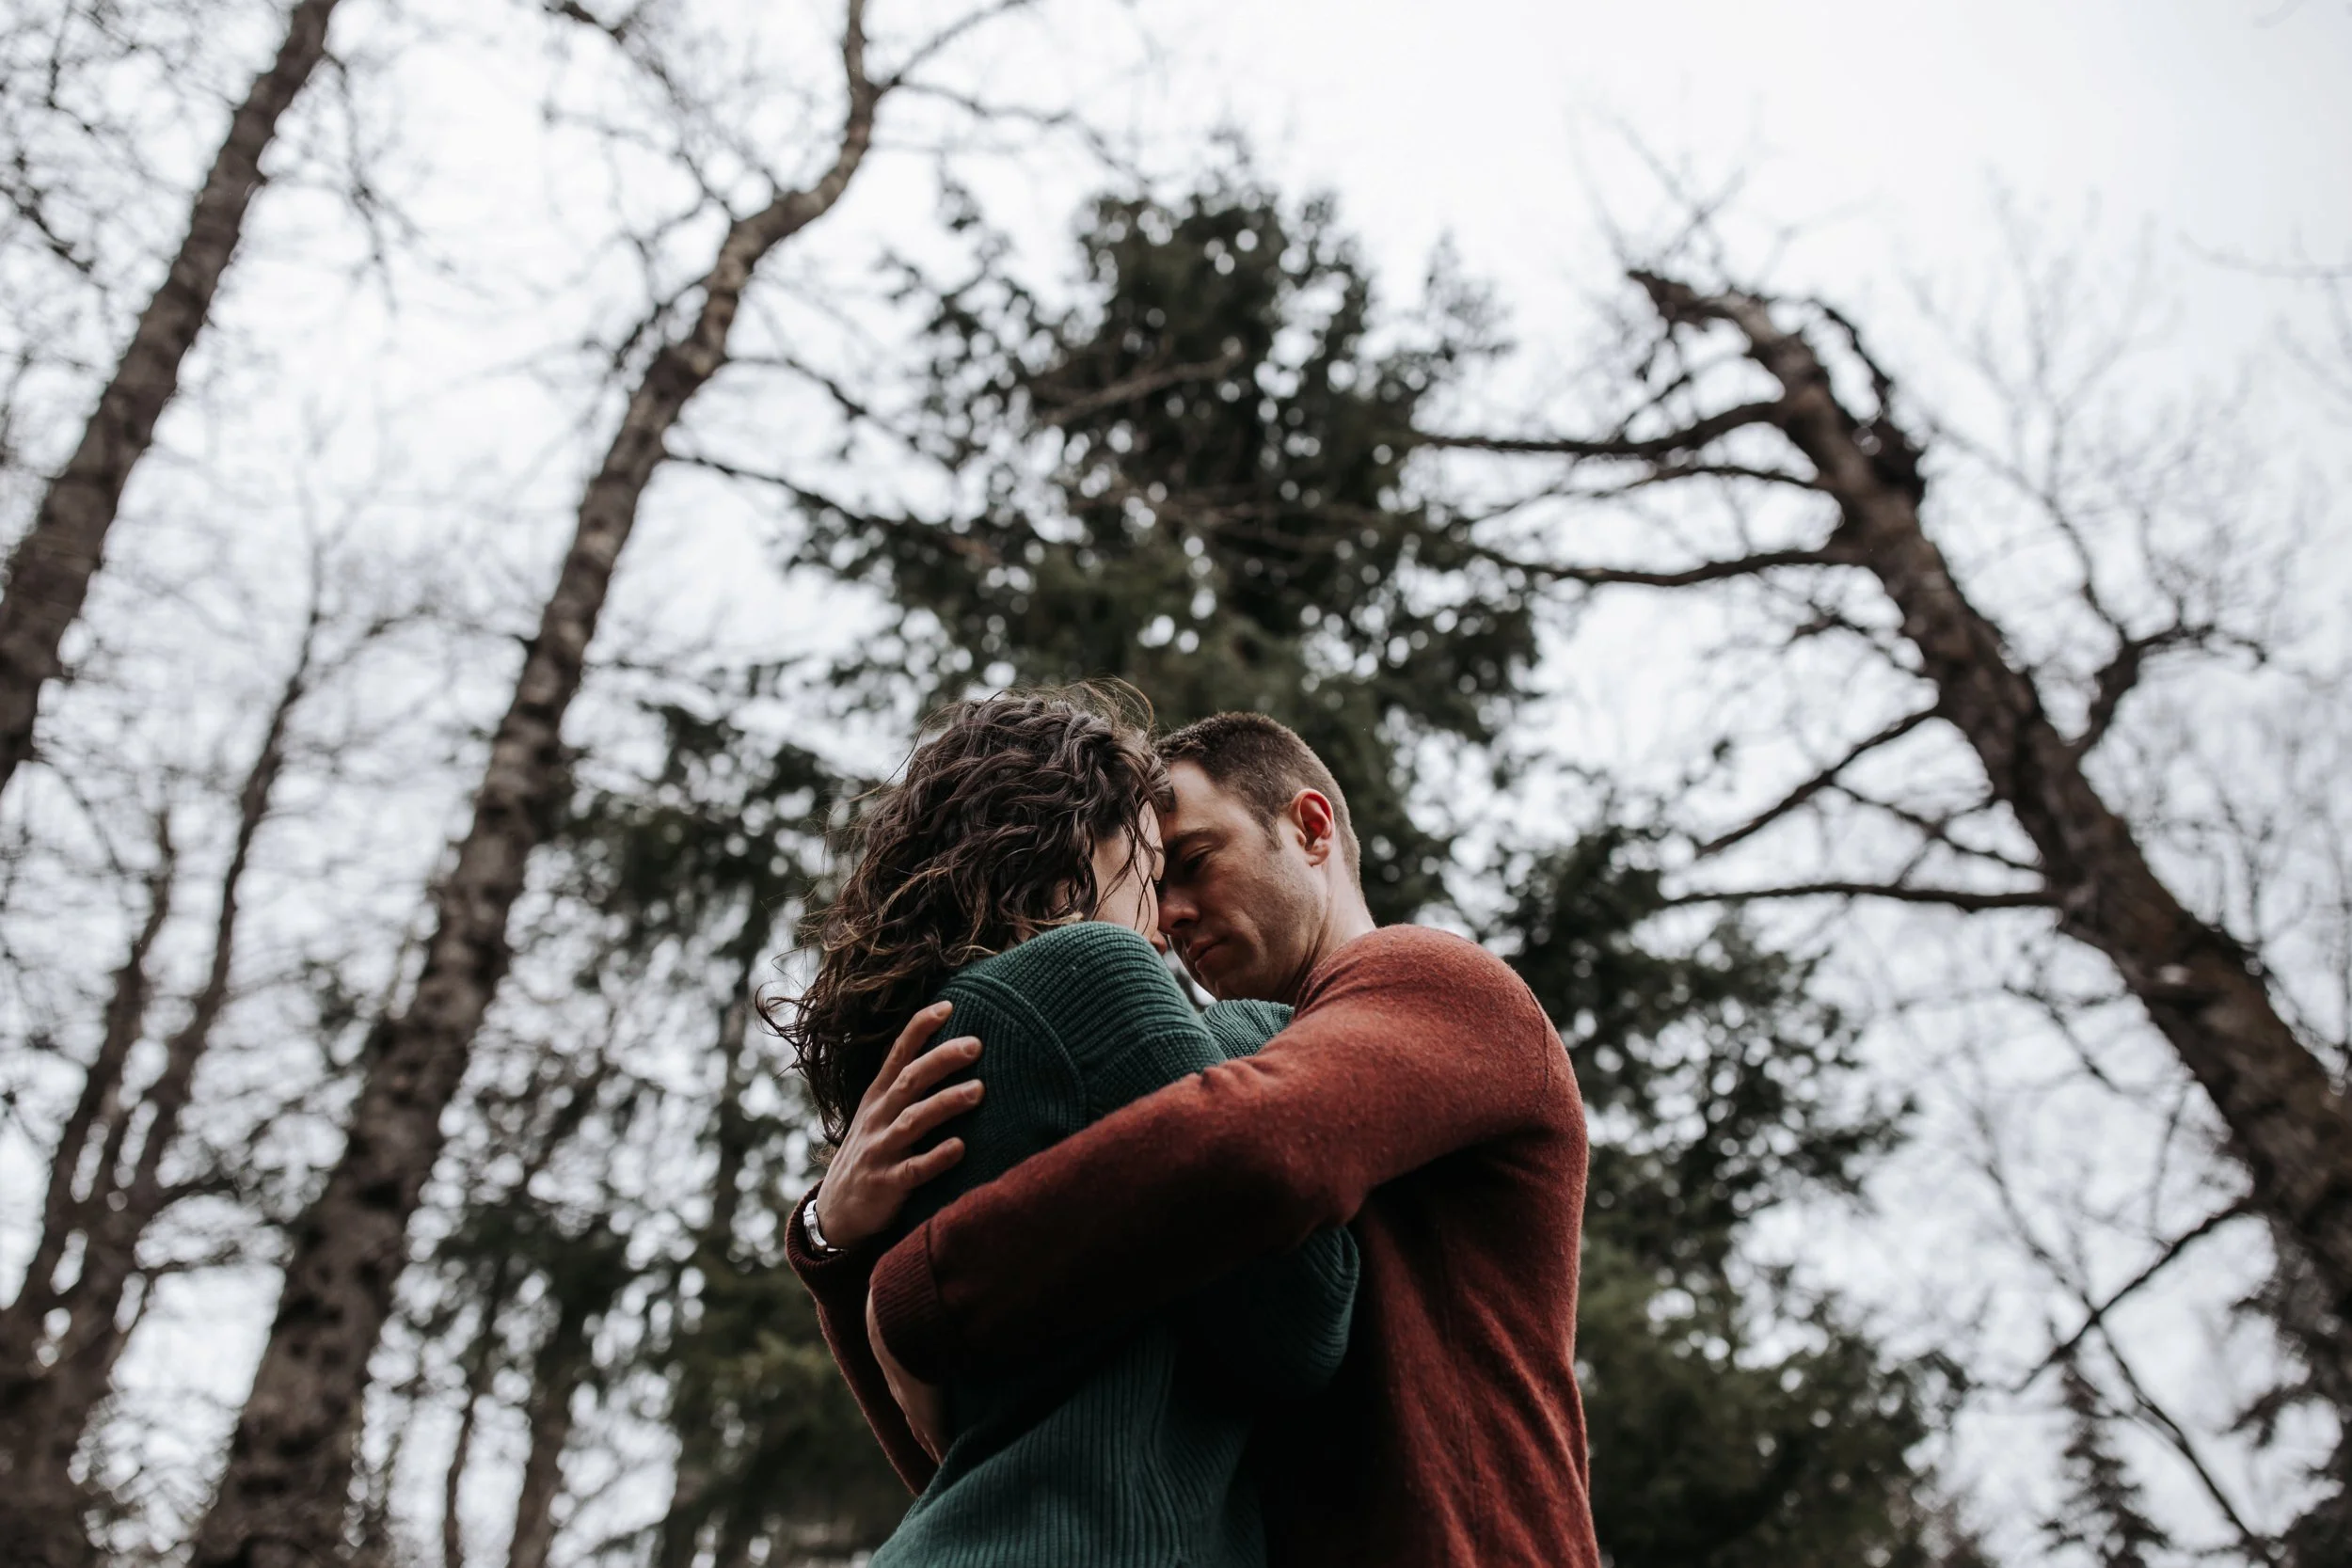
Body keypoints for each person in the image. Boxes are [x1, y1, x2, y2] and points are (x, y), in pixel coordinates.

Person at [823, 711, 1602, 1568]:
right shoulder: (1195, 1110)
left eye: (1192, 862)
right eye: (1154, 882)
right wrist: (833, 1245)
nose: (1170, 916)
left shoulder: (1432, 979)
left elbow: (1260, 1149)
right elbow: (981, 1448)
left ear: (1309, 828)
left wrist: (908, 1290)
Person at [776, 687, 1359, 1568]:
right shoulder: (1091, 971)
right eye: (1154, 868)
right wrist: (1261, 1032)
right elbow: (1305, 1320)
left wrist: (823, 1235)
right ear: (1086, 836)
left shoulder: (934, 1041)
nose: (1162, 924)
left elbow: (945, 1444)